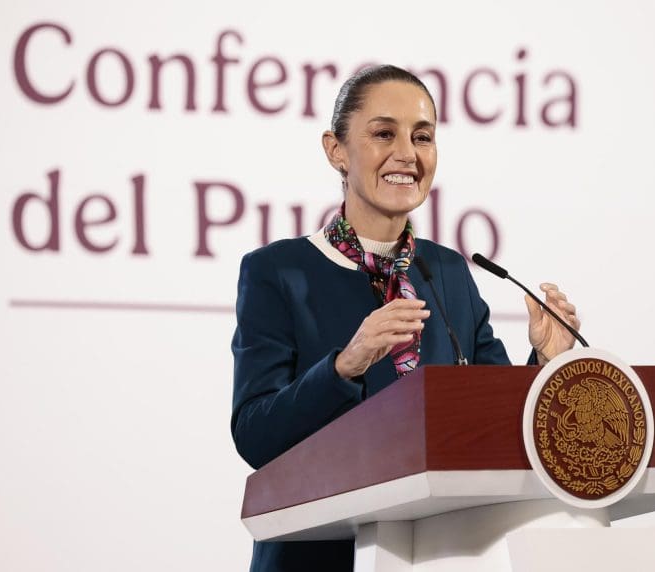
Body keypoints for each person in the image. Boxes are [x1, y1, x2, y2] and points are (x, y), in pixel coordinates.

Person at [231, 65, 580, 572]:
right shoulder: (278, 271)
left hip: (443, 555)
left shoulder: (447, 271)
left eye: (423, 136)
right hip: (319, 558)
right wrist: (344, 367)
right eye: (382, 133)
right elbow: (255, 436)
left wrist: (544, 362)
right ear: (336, 151)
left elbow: (496, 423)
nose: (407, 154)